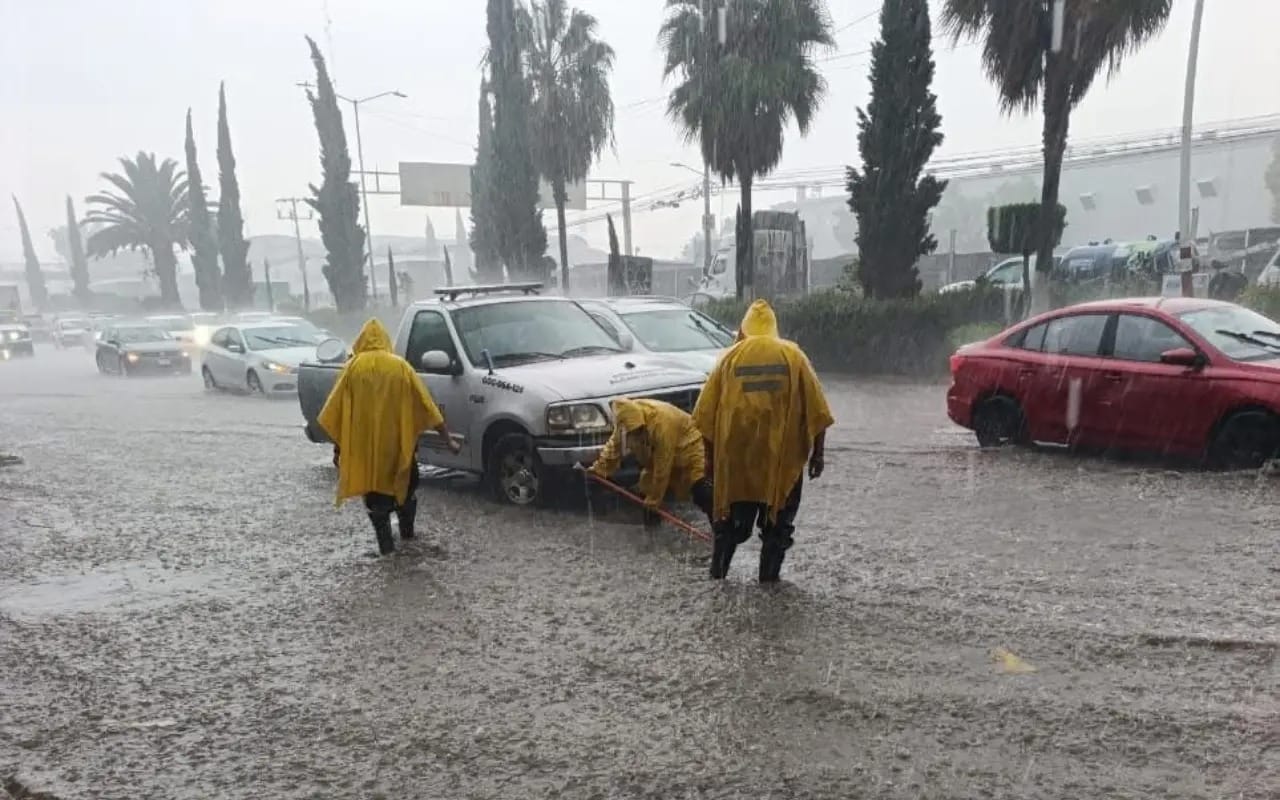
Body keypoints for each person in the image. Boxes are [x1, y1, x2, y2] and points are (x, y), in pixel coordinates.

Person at [693, 299, 834, 583]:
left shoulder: (729, 357)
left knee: (732, 525)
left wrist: (709, 463)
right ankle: (768, 585)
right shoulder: (793, 356)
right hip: (781, 462)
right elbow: (818, 410)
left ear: (744, 329)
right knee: (777, 527)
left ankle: (717, 580)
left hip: (738, 463)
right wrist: (818, 454)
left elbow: (704, 417)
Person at [318, 318, 460, 556]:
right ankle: (408, 538)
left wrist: (338, 449)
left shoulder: (351, 369)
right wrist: (448, 439)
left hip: (367, 451)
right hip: (399, 446)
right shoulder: (401, 367)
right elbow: (427, 404)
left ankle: (387, 553)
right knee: (406, 490)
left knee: (376, 500)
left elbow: (337, 413)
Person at [587, 397, 713, 523]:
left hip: (690, 448)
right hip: (660, 457)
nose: (637, 435)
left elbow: (663, 463)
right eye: (633, 432)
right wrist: (599, 469)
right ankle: (652, 529)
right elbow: (613, 448)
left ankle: (719, 524)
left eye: (639, 431)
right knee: (646, 491)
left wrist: (654, 500)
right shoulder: (625, 425)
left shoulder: (661, 423)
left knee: (701, 489)